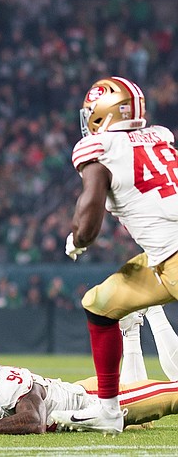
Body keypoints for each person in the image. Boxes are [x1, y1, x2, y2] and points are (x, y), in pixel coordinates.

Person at [54, 76, 178, 433]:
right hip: (163, 258)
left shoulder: (99, 148)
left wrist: (78, 239)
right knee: (100, 302)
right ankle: (109, 411)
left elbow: (91, 211)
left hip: (171, 257)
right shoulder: (160, 136)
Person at [0, 318, 178, 436]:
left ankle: (146, 316)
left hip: (91, 402)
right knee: (145, 424)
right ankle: (131, 330)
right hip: (76, 396)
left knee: (171, 396)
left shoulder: (10, 387)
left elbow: (35, 423)